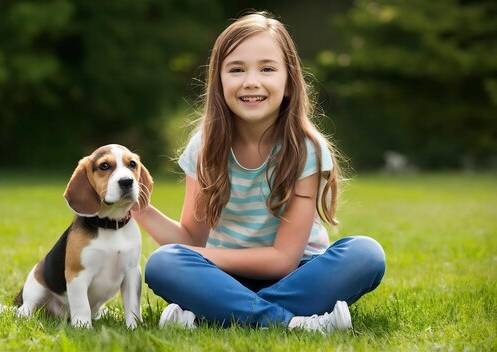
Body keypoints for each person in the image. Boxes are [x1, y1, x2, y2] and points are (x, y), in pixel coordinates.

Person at [132, 11, 385, 333]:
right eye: (236, 70)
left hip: (298, 274)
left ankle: (222, 311)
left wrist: (204, 257)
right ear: (219, 82)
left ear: (289, 82)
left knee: (365, 253)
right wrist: (141, 210)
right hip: (224, 277)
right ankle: (293, 322)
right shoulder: (204, 147)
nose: (251, 81)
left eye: (267, 68)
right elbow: (191, 238)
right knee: (164, 263)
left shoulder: (306, 149)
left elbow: (283, 260)